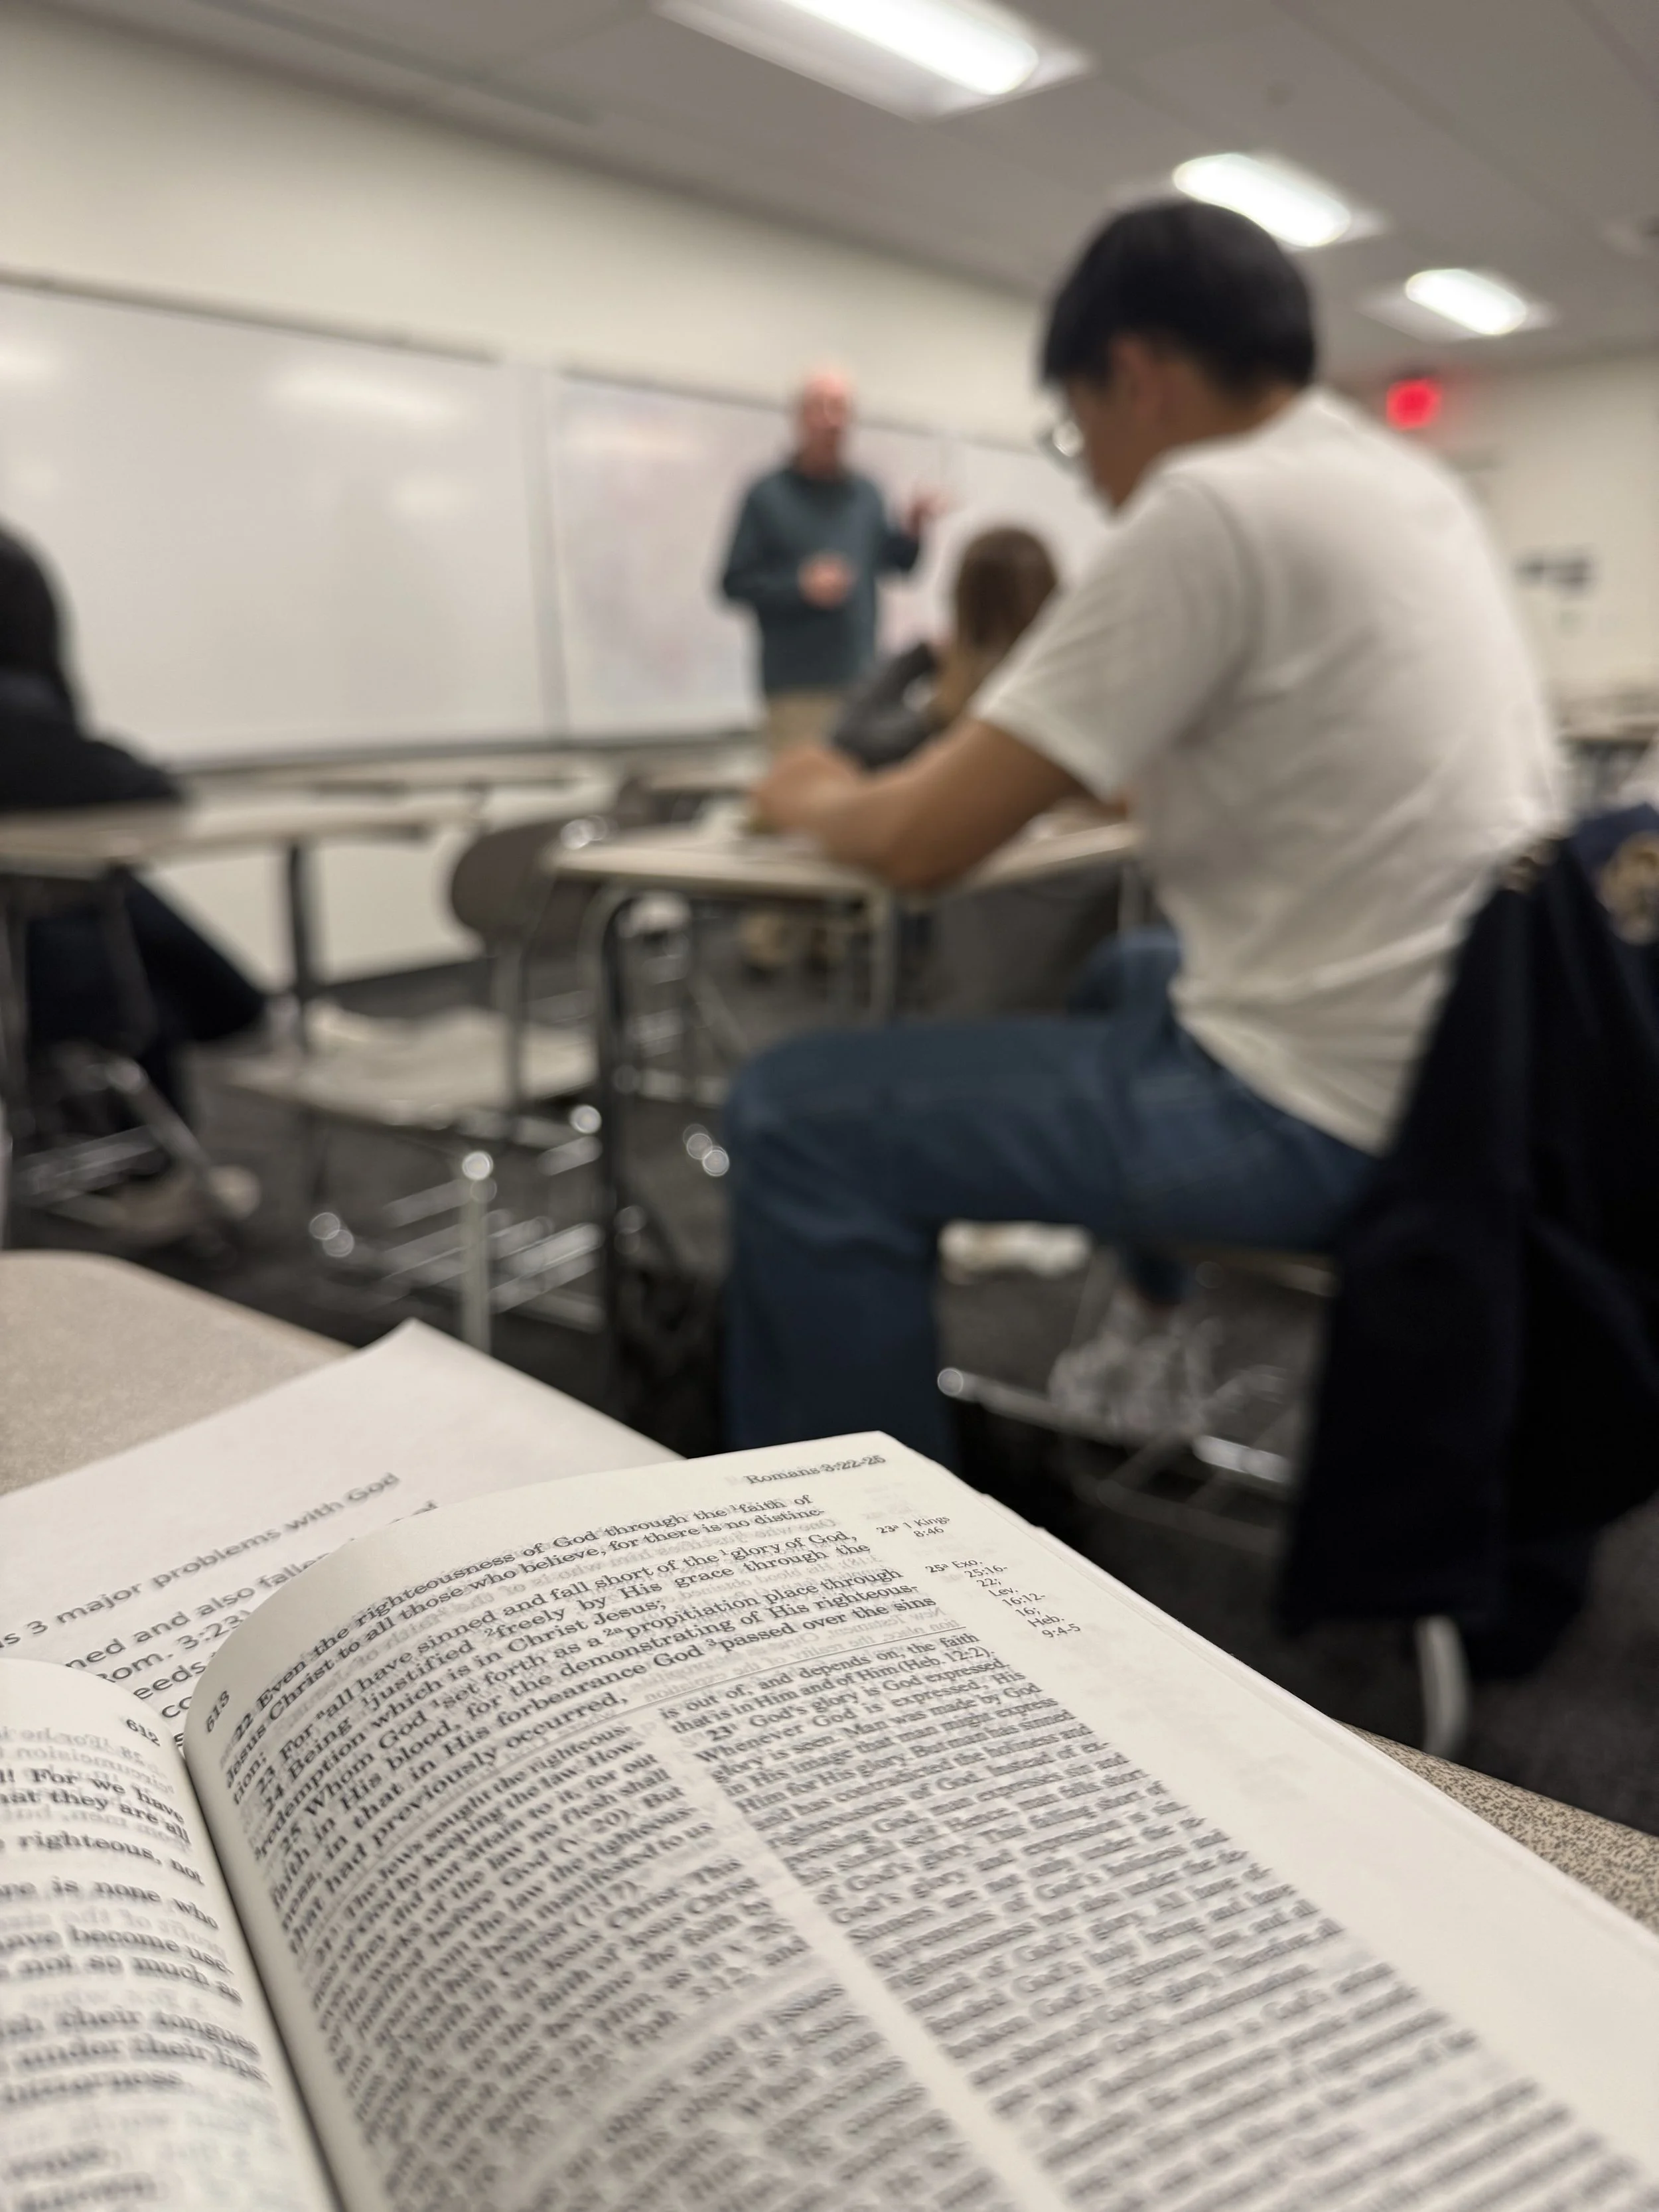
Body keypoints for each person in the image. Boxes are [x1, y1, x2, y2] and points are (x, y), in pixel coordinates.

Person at [722, 199, 1559, 1465]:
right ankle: (1151, 1328)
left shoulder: (1210, 507)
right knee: (1124, 971)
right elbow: (1243, 759)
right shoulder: (1402, 484)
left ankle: (878, 1581)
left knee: (792, 1113)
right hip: (1483, 1061)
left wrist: (802, 789)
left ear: (1135, 373)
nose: (1094, 473)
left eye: (1076, 431)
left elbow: (914, 846)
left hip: (1324, 1106)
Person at [0, 522, 266, 1241]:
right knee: (99, 912)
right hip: (45, 995)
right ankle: (161, 1172)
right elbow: (139, 787)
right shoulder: (18, 712)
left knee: (98, 909)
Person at [721, 369, 940, 753]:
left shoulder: (867, 494)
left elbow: (898, 565)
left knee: (864, 796)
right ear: (799, 418)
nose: (831, 420)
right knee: (804, 802)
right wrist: (799, 586)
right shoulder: (766, 495)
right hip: (797, 690)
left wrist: (914, 531)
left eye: (840, 409)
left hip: (864, 681)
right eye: (820, 409)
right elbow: (733, 582)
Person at [830, 525, 1058, 771]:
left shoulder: (950, 716)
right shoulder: (1064, 697)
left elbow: (848, 737)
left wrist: (920, 656)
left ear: (962, 603)